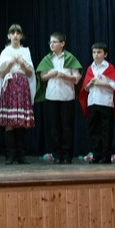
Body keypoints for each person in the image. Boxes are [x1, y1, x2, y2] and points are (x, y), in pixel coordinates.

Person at [35, 32, 82, 164]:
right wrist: (52, 74)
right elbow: (42, 77)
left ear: (62, 43)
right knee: (54, 127)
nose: (51, 44)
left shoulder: (70, 58)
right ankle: (57, 154)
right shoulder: (47, 59)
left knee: (67, 127)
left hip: (67, 97)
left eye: (54, 42)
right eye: (50, 42)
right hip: (52, 96)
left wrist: (64, 76)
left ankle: (67, 155)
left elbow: (77, 78)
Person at [0, 24, 36, 164]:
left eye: (18, 33)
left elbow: (30, 73)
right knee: (10, 122)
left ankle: (20, 154)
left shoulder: (26, 51)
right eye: (13, 33)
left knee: (20, 121)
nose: (16, 35)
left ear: (21, 36)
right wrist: (11, 62)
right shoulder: (5, 52)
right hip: (9, 85)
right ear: (9, 36)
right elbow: (0, 73)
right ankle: (10, 154)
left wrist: (22, 63)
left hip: (22, 85)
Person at [79, 42, 115, 164]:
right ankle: (96, 155)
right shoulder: (90, 68)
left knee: (106, 131)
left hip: (105, 103)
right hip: (92, 103)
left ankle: (106, 156)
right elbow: (85, 88)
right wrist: (90, 84)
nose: (96, 55)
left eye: (99, 52)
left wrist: (100, 83)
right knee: (94, 130)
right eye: (94, 52)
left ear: (105, 54)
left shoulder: (109, 68)